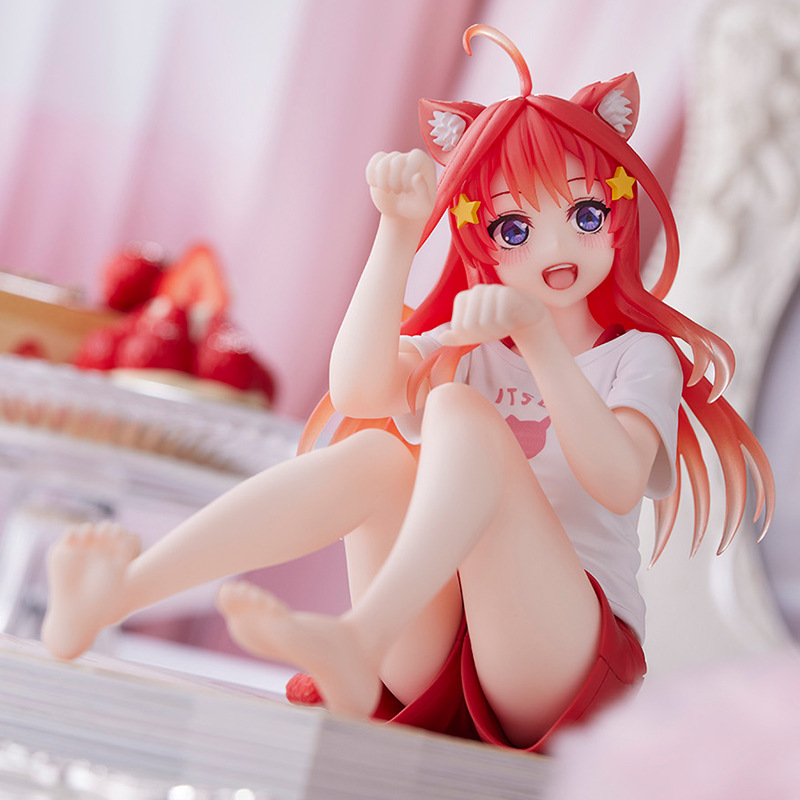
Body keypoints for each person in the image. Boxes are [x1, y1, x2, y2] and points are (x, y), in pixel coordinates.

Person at [41, 25, 773, 753]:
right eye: (515, 229)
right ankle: (121, 591)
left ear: (619, 213)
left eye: (586, 216)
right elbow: (359, 392)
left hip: (561, 669)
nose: (555, 249)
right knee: (380, 458)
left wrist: (543, 344)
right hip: (443, 658)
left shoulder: (638, 356)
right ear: (480, 241)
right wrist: (395, 233)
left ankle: (361, 637)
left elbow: (615, 480)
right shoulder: (474, 343)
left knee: (455, 407)